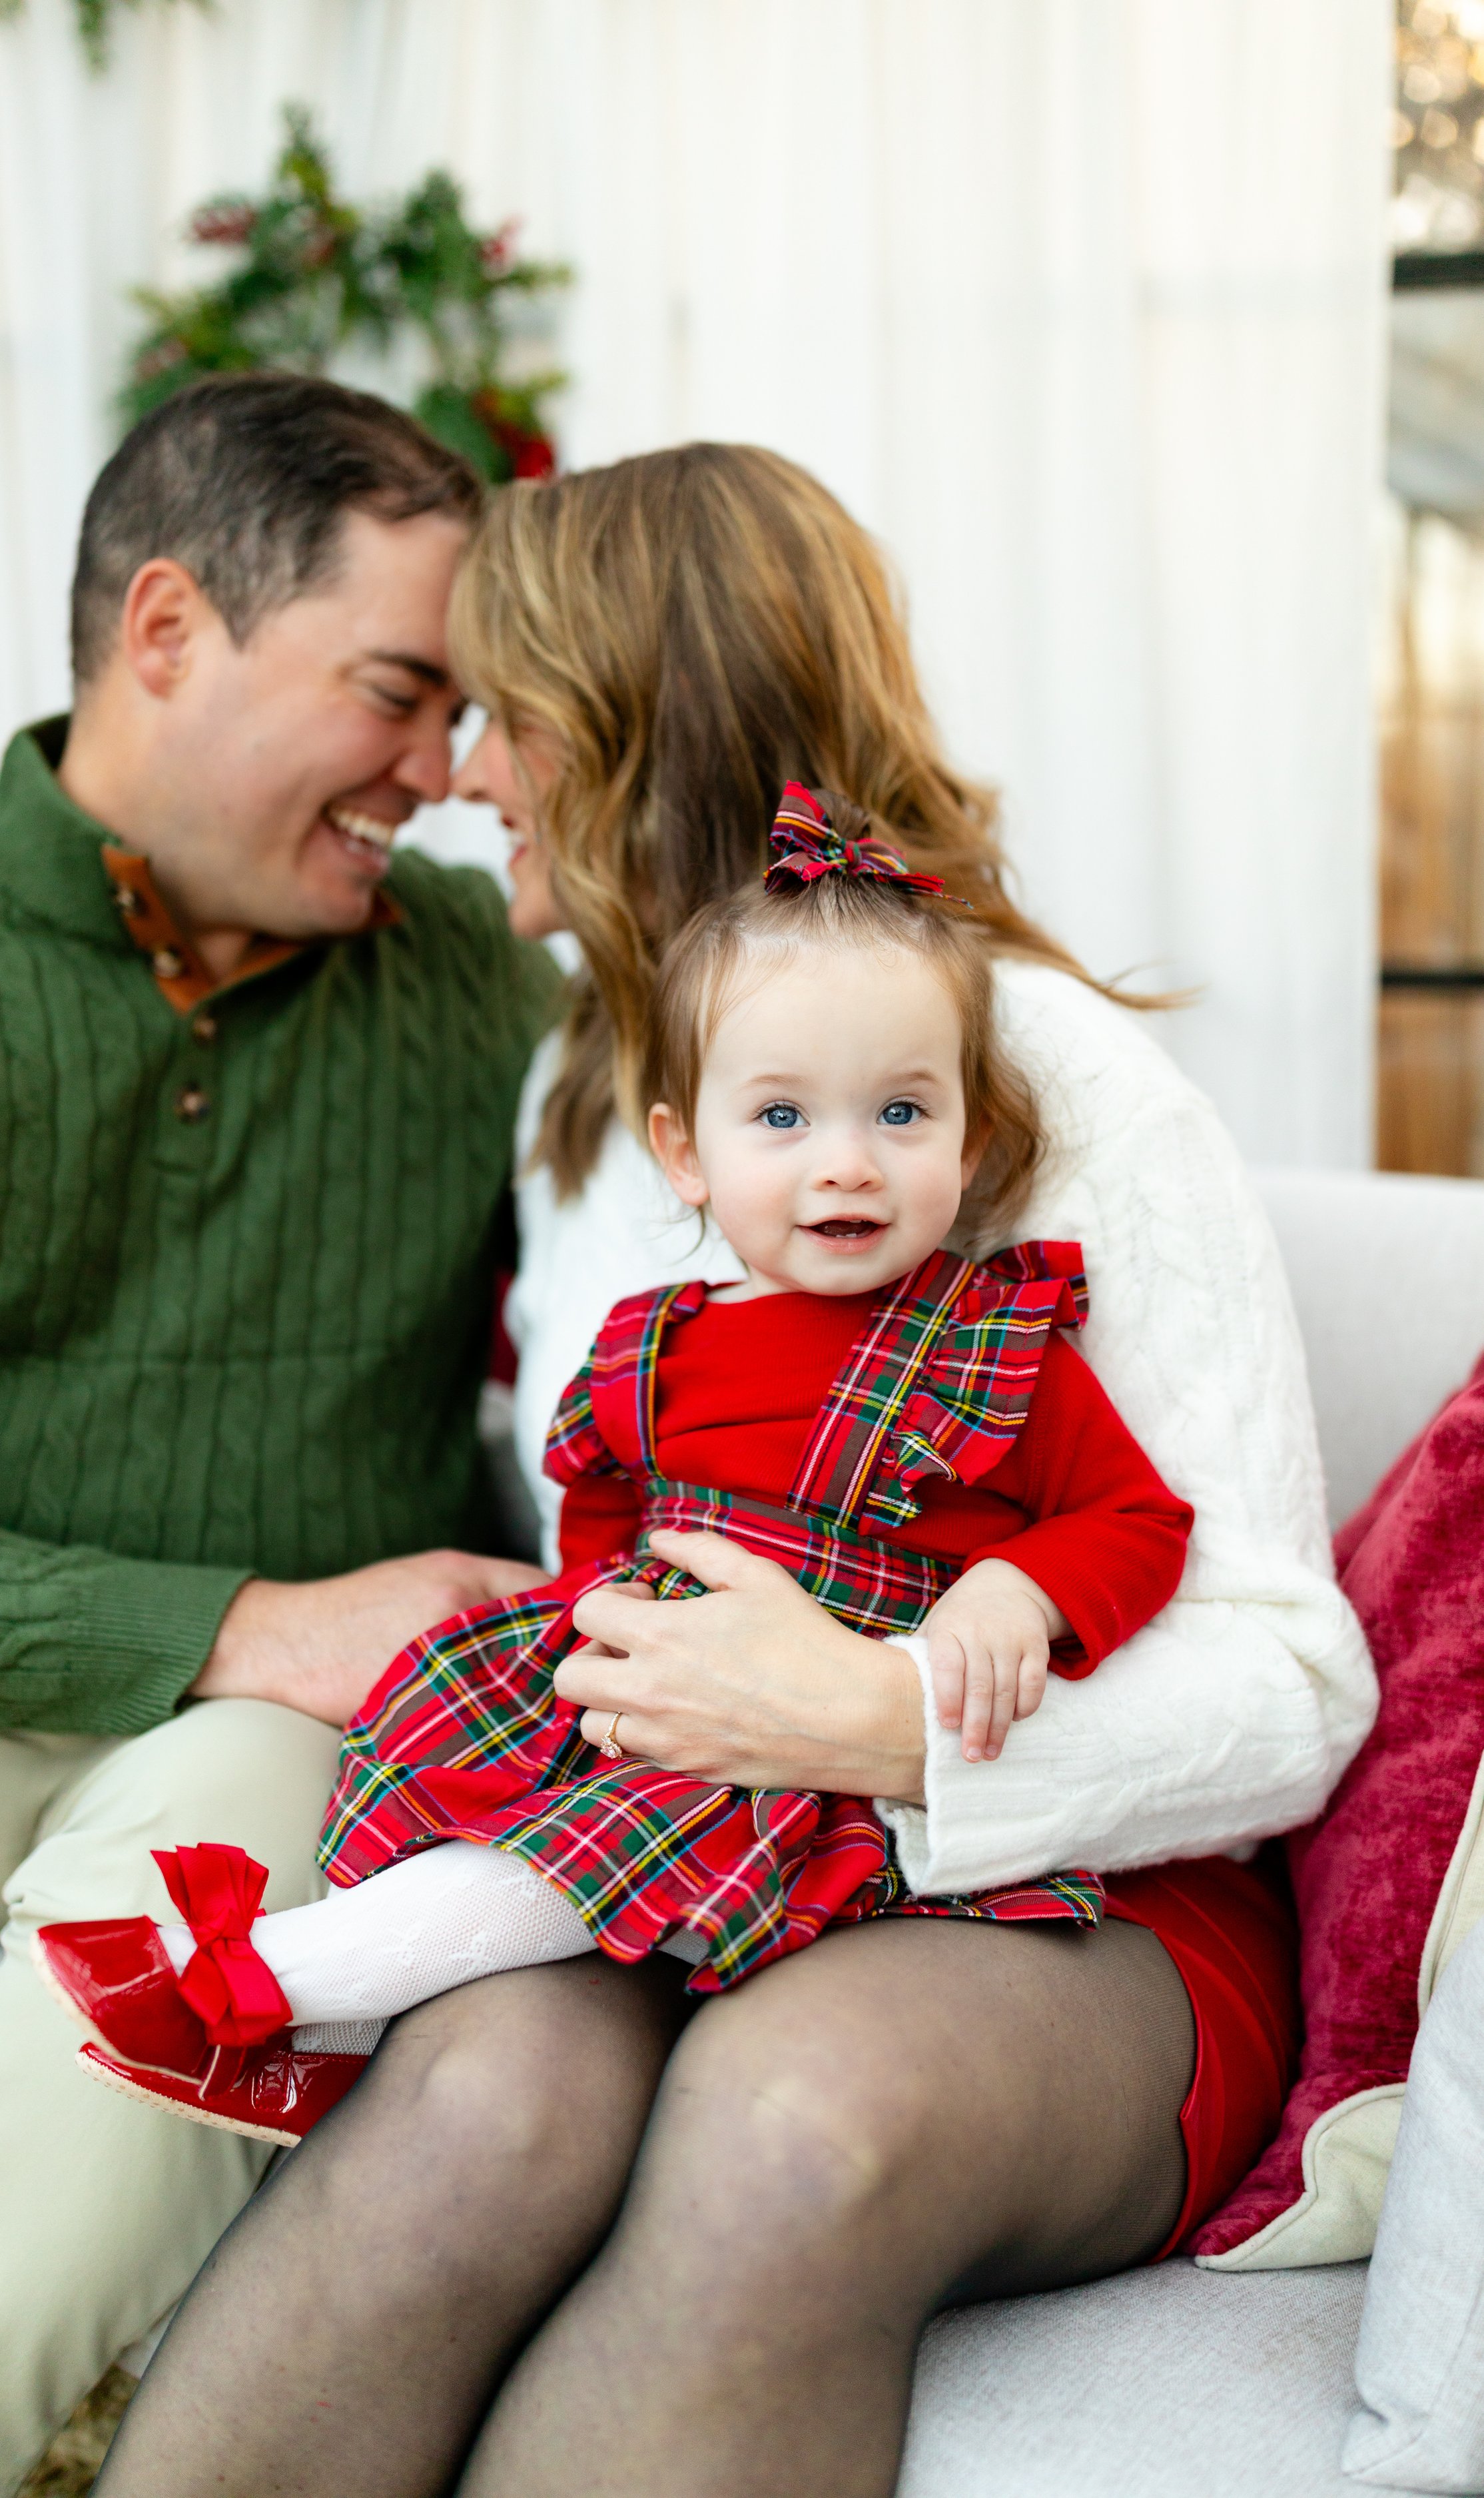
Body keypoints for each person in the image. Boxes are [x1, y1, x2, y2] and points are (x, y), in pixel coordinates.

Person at [89, 444, 1377, 2498]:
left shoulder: (1032, 1075)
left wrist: (882, 1719)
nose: (463, 772)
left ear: (634, 737)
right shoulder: (592, 1088)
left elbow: (1289, 1679)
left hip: (1068, 1900)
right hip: (678, 1846)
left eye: (505, 715)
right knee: (478, 2107)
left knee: (789, 2116)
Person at [0, 374, 560, 2498]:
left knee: (200, 1914)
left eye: (462, 715)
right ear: (167, 629)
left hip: (262, 1746)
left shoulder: (478, 979)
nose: (440, 772)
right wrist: (244, 1614)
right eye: (398, 693)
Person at [34, 781, 1194, 2121]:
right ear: (683, 1154)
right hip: (648, 1690)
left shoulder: (992, 1346)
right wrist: (588, 1642)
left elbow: (1139, 1521)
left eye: (900, 1114)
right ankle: (334, 2031)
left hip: (797, 1762)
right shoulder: (652, 1342)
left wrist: (1018, 1591)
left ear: (970, 1141)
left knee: (602, 1834)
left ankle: (272, 1982)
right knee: (433, 1722)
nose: (846, 1165)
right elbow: (596, 1514)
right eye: (781, 1118)